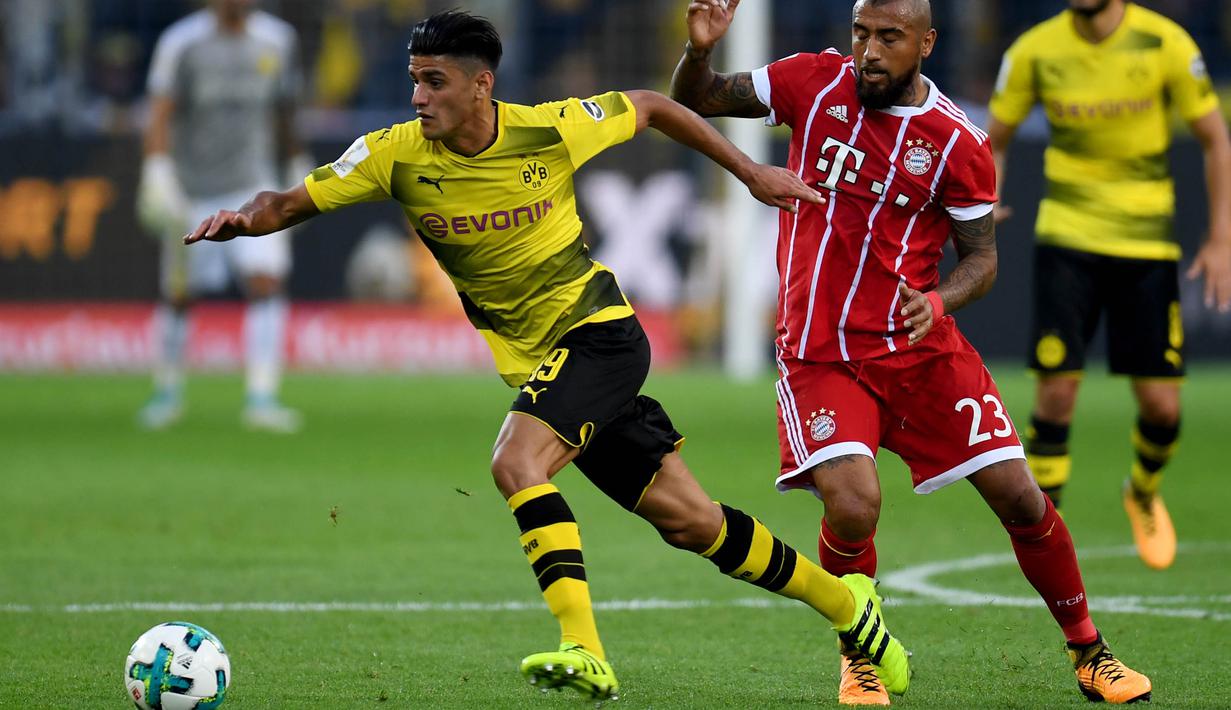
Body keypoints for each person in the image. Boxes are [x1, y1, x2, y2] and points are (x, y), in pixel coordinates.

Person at [184, 10, 912, 702]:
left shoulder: (547, 131)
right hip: (546, 366)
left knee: (514, 462)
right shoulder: (391, 155)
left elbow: (653, 106)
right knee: (693, 523)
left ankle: (584, 648)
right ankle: (846, 606)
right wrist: (240, 222)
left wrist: (749, 173)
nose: (418, 96)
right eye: (414, 79)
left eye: (434, 81)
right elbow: (284, 203)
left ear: (480, 84)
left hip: (599, 333)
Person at [671, 0, 1151, 705]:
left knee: (1021, 497)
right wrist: (700, 50)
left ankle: (1089, 652)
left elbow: (980, 260)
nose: (867, 50)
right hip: (820, 353)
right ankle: (858, 655)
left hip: (919, 348)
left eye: (887, 37)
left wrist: (942, 301)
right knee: (853, 503)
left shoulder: (957, 142)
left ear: (924, 43)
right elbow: (697, 97)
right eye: (860, 33)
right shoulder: (809, 81)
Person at [987, 0, 1231, 572]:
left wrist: (1220, 237)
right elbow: (994, 136)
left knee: (1162, 407)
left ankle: (1143, 490)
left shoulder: (1166, 44)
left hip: (1146, 244)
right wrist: (987, 198)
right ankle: (1050, 538)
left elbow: (1215, 137)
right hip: (1065, 237)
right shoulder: (1035, 50)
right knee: (1056, 393)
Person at [136, 0, 313, 433]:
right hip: (193, 188)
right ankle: (167, 391)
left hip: (253, 185)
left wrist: (296, 166)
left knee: (266, 282)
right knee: (180, 294)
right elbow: (160, 113)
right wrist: (157, 171)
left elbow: (284, 111)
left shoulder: (278, 40)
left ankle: (262, 396)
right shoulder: (181, 43)